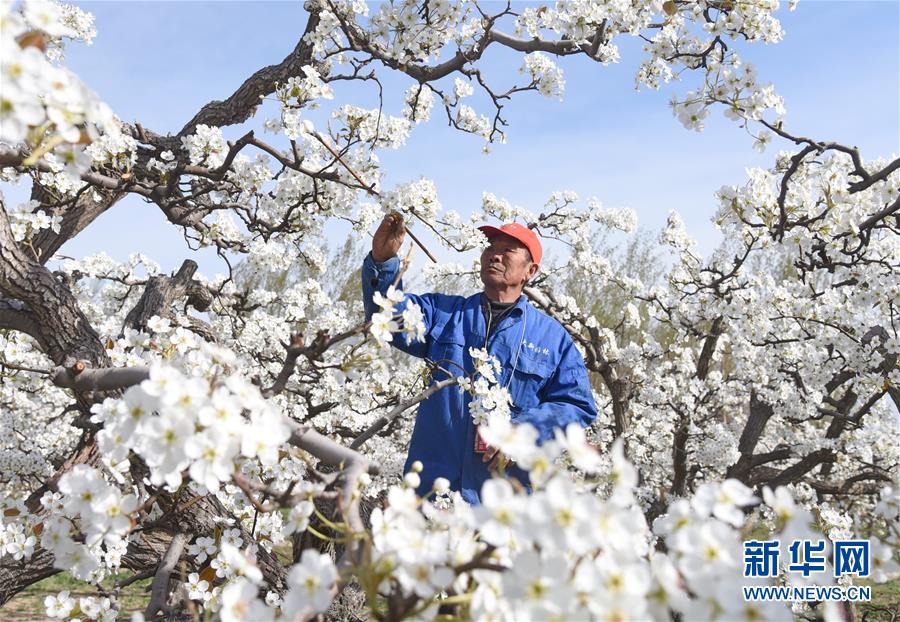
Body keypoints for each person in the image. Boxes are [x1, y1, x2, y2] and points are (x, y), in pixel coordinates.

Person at [361, 213, 597, 504]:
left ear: (530, 271)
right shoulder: (444, 314)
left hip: (502, 509)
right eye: (490, 248)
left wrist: (523, 433)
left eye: (508, 250)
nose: (495, 256)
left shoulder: (553, 338)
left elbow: (576, 405)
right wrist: (383, 263)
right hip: (430, 499)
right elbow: (387, 319)